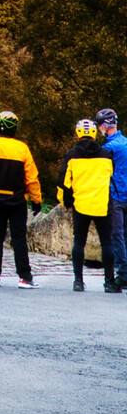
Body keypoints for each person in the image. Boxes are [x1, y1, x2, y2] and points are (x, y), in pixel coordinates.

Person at [0, 110, 42, 288]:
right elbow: (32, 178)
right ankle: (24, 277)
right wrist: (36, 200)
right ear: (15, 129)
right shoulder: (22, 148)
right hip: (17, 200)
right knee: (19, 238)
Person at [58, 119, 118, 292]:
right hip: (102, 203)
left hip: (81, 203)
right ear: (93, 134)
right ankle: (109, 282)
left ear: (77, 134)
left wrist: (67, 202)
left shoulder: (71, 155)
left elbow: (64, 183)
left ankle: (78, 281)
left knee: (79, 242)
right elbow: (110, 174)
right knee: (106, 242)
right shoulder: (106, 155)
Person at [97, 109, 127, 287]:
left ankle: (123, 274)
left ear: (103, 126)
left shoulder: (108, 148)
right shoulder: (125, 142)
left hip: (116, 196)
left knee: (117, 236)